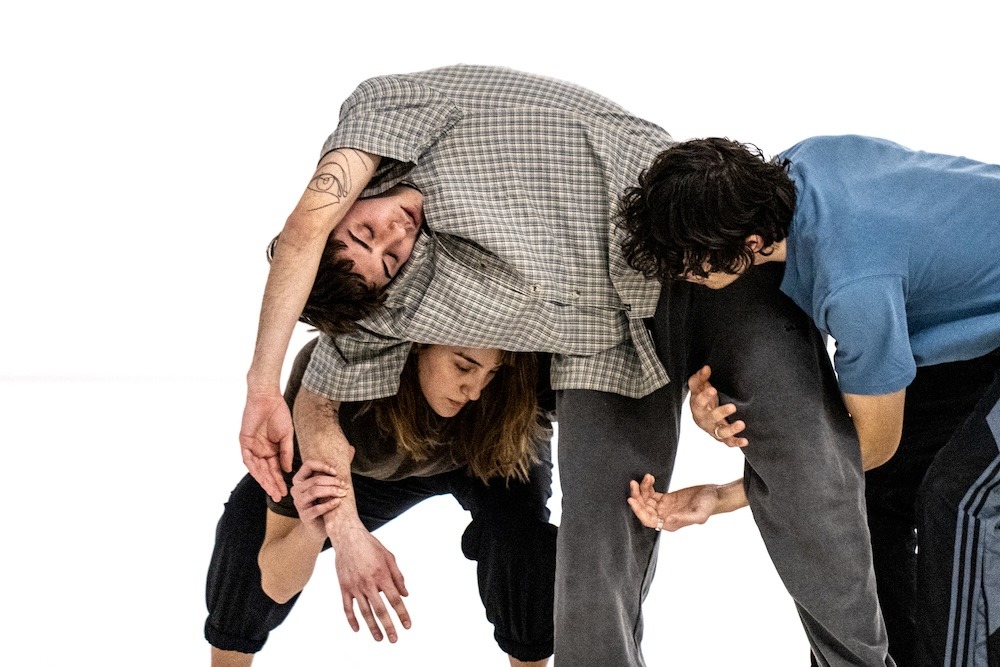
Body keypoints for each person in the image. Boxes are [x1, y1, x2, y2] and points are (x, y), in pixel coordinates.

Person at [237, 64, 894, 665]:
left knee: (811, 469)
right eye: (384, 258)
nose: (394, 235)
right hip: (610, 348)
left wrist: (259, 382)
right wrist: (346, 529)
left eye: (365, 230)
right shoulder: (383, 303)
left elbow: (304, 228)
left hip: (691, 234)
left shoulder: (383, 116)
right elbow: (319, 399)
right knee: (597, 542)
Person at [620, 135, 1000, 666]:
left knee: (958, 504)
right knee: (872, 497)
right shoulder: (800, 165)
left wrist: (724, 496)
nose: (687, 282)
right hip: (973, 318)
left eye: (692, 271)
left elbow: (873, 446)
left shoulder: (856, 287)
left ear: (751, 244)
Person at [207, 337, 558, 666]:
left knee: (522, 545)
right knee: (246, 532)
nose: (475, 390)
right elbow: (275, 582)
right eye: (463, 366)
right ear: (419, 343)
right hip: (362, 469)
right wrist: (319, 529)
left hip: (488, 451)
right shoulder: (334, 378)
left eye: (492, 372)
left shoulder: (516, 384)